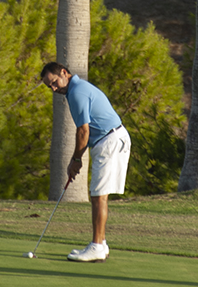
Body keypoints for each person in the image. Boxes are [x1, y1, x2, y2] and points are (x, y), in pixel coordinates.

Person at [40, 62, 132, 263]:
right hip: (112, 139)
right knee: (100, 194)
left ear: (64, 72)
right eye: (50, 87)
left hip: (109, 141)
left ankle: (97, 246)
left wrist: (75, 160)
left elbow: (83, 131)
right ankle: (102, 243)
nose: (54, 89)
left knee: (98, 195)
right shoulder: (78, 89)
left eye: (54, 82)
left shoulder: (77, 92)